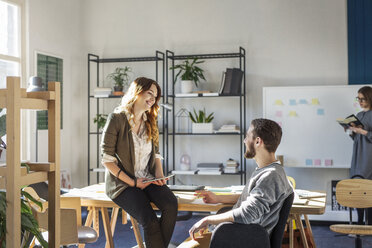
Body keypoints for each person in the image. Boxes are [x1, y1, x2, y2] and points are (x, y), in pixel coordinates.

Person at [189, 118, 293, 246]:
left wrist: (208, 219)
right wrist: (218, 198)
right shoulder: (267, 171)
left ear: (257, 141)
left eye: (247, 136)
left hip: (244, 240)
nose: (244, 141)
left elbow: (247, 213)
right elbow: (252, 199)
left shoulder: (271, 175)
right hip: (239, 235)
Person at [101, 77, 178, 248]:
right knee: (150, 221)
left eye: (155, 96)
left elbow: (156, 154)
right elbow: (107, 160)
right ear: (137, 91)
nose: (152, 99)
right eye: (149, 93)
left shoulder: (150, 120)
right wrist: (134, 182)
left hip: (147, 178)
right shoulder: (116, 119)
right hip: (123, 183)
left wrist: (159, 176)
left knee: (171, 204)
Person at [349, 86, 372, 225]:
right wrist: (352, 131)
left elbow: (367, 135)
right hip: (357, 155)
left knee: (367, 190)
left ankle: (369, 225)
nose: (360, 101)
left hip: (368, 157)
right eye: (358, 98)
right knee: (357, 187)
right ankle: (359, 224)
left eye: (363, 99)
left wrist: (363, 132)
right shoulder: (359, 115)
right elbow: (356, 139)